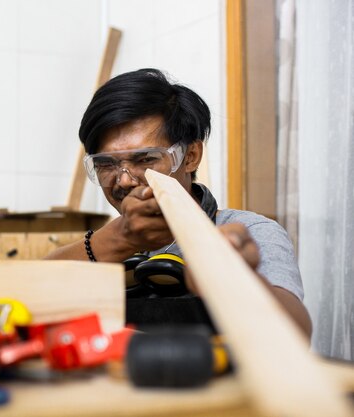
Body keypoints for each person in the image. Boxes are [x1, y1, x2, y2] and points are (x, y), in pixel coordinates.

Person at [45, 68, 311, 338]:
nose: (123, 180)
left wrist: (238, 278)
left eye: (146, 159)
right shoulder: (108, 242)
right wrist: (120, 238)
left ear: (191, 156)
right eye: (106, 164)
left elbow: (296, 334)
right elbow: (32, 291)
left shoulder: (247, 232)